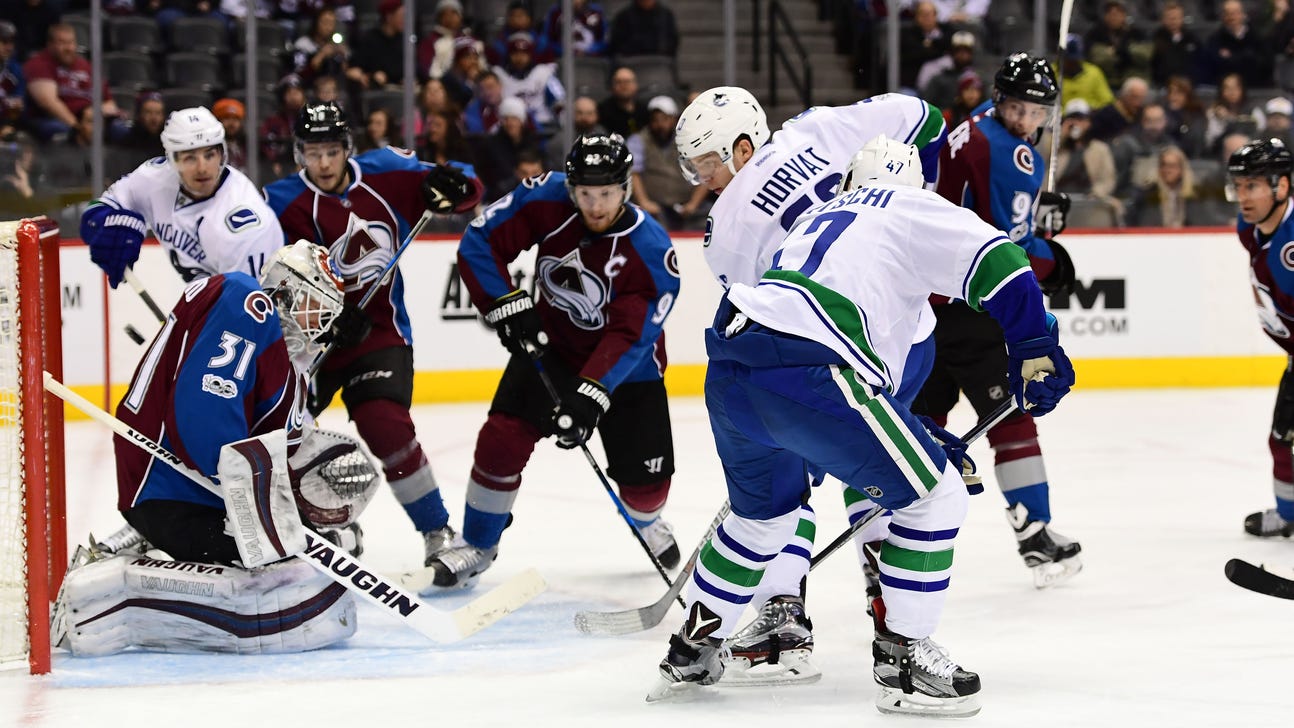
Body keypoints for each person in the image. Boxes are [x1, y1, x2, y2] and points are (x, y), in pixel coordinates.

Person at [652, 135, 1074, 717]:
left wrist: (918, 439)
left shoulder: (820, 221)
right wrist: (1034, 342)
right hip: (812, 369)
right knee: (935, 497)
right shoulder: (905, 205)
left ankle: (692, 650)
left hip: (734, 371)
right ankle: (902, 660)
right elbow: (998, 257)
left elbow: (878, 398)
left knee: (762, 521)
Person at [672, 86, 946, 681]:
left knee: (784, 487)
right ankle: (887, 602)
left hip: (819, 360)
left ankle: (782, 610)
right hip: (909, 336)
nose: (703, 180)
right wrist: (923, 202)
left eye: (708, 163)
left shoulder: (726, 230)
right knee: (880, 471)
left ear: (743, 149)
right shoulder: (814, 129)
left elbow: (769, 315)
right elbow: (927, 118)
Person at [52, 241, 368, 656]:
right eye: (317, 303)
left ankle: (133, 547)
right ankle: (116, 590)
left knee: (318, 553)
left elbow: (278, 446)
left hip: (196, 491)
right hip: (166, 483)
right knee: (284, 575)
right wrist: (257, 509)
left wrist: (298, 512)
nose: (321, 320)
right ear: (289, 289)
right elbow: (204, 415)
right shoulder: (247, 300)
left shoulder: (287, 364)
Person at [435, 133, 681, 589]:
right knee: (500, 440)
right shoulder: (547, 198)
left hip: (628, 372)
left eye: (607, 193)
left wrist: (589, 396)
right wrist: (505, 303)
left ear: (626, 188)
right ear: (571, 187)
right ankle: (477, 543)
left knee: (646, 491)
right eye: (585, 194)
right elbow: (480, 240)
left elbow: (629, 335)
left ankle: (646, 520)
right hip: (552, 348)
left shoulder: (650, 252)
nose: (595, 205)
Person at [262, 102, 484, 570]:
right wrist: (321, 316)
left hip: (378, 335)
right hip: (304, 345)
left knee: (386, 426)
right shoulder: (277, 202)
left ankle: (436, 531)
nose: (322, 164)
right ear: (298, 154)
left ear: (348, 149)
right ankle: (322, 524)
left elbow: (460, 184)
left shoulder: (387, 171)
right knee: (276, 435)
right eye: (312, 153)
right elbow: (262, 277)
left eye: (331, 151)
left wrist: (458, 184)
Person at [915, 53, 1082, 588]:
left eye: (1036, 112)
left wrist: (1034, 212)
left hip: (924, 301)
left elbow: (982, 205)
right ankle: (1034, 534)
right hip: (971, 304)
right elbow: (1008, 245)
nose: (1026, 119)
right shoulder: (1013, 154)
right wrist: (1051, 257)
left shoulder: (975, 126)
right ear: (1001, 101)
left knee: (921, 423)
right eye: (1017, 108)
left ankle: (896, 535)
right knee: (1011, 416)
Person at [80, 106, 285, 287]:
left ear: (222, 155)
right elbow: (99, 207)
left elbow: (253, 316)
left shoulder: (245, 225)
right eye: (189, 158)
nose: (202, 168)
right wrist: (103, 225)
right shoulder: (154, 179)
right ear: (171, 160)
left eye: (209, 155)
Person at [1228, 139, 1294, 538]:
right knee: (1281, 438)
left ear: (1281, 187)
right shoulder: (1250, 229)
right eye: (1238, 186)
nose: (1242, 196)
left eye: (1253, 186)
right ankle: (1288, 515)